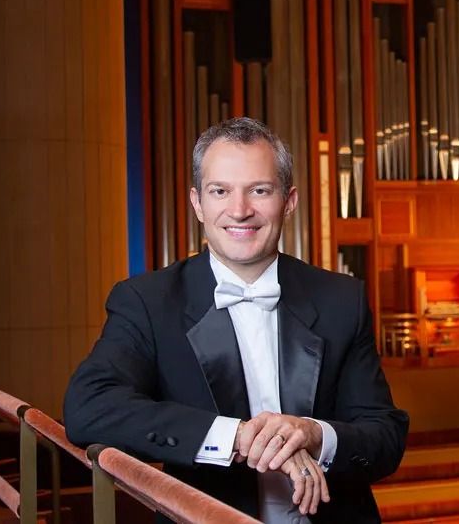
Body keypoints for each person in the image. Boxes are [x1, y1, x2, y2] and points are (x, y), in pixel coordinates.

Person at [64, 117, 409, 523]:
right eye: (220, 191)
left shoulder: (341, 299)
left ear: (289, 200)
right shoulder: (148, 302)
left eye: (259, 191)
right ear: (198, 204)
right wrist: (237, 437)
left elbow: (385, 436)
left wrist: (317, 435)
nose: (240, 210)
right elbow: (90, 408)